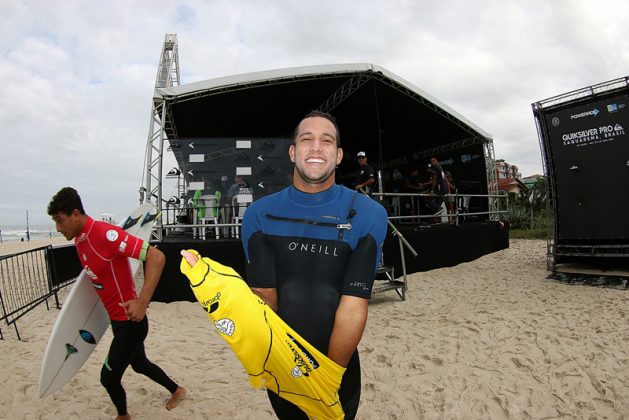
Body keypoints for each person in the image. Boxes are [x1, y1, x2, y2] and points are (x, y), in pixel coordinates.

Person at [241, 110, 388, 419]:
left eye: (327, 141)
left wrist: (327, 379)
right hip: (282, 368)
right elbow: (264, 301)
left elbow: (353, 306)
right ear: (293, 152)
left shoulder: (367, 213)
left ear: (338, 155)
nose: (316, 147)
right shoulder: (259, 215)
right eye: (306, 140)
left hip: (339, 369)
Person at [47, 187, 185, 420]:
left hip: (132, 322)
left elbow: (156, 257)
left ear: (76, 214)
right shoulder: (81, 240)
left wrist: (142, 301)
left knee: (108, 378)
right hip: (117, 321)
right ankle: (177, 390)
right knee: (139, 364)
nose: (59, 229)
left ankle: (123, 416)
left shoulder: (104, 234)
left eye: (61, 221)